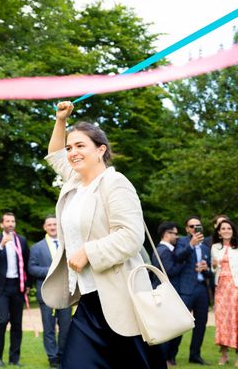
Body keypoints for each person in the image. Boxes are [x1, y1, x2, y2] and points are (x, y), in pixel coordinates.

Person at [41, 101, 165, 369]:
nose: (72, 152)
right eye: (70, 147)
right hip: (89, 300)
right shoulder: (74, 183)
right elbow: (54, 155)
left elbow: (131, 236)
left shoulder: (115, 184)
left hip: (122, 298)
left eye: (80, 146)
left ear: (101, 150)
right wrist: (60, 120)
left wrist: (89, 251)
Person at [0, 212, 30, 367]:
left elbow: (26, 263)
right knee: (3, 320)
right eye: (7, 221)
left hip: (17, 287)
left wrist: (27, 284)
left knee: (17, 324)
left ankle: (14, 358)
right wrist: (1, 245)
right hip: (1, 288)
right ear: (1, 224)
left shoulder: (22, 241)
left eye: (13, 221)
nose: (10, 223)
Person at [27, 215, 71, 368]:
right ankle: (52, 358)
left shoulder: (68, 245)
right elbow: (31, 268)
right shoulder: (36, 248)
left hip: (66, 294)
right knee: (49, 328)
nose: (52, 227)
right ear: (44, 227)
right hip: (46, 294)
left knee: (66, 327)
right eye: (49, 225)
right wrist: (52, 271)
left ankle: (62, 354)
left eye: (55, 224)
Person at [172, 216, 213, 365]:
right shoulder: (181, 242)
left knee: (201, 323)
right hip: (186, 289)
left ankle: (195, 355)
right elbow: (176, 257)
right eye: (191, 226)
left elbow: (210, 273)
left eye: (198, 226)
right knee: (180, 323)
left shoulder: (205, 247)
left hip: (202, 289)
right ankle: (171, 356)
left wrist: (205, 269)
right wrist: (190, 245)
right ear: (187, 229)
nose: (194, 229)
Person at [151, 222, 186, 367]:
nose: (177, 237)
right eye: (175, 233)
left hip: (163, 292)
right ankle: (165, 358)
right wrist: (184, 264)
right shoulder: (164, 251)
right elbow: (169, 271)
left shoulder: (162, 250)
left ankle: (167, 358)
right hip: (165, 293)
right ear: (166, 234)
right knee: (168, 328)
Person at [210, 219, 238, 365]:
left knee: (236, 320)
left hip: (235, 287)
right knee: (222, 320)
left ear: (233, 231)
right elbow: (213, 268)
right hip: (221, 287)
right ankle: (224, 355)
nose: (226, 230)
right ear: (219, 232)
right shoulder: (215, 247)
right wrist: (214, 265)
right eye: (223, 229)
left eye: (229, 228)